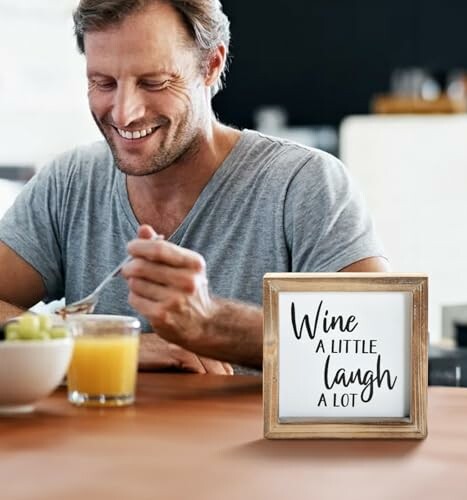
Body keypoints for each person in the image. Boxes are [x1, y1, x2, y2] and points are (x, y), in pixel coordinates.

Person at [0, 0, 388, 374]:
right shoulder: (70, 183)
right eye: (103, 83)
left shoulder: (304, 184)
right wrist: (106, 342)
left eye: (153, 82)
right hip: (95, 442)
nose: (123, 112)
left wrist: (211, 323)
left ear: (212, 65)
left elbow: (380, 351)